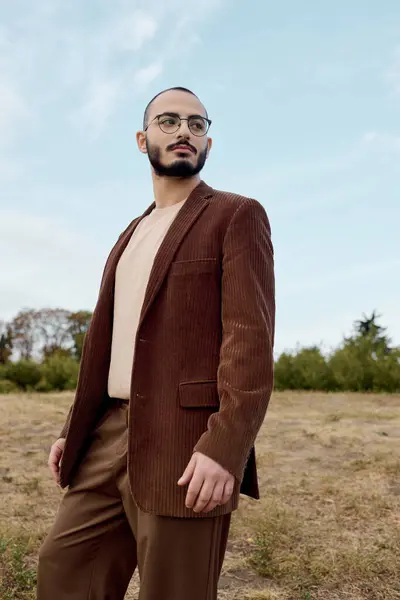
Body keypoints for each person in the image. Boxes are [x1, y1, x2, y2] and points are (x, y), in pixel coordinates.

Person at [37, 86, 275, 600]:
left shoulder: (236, 215)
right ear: (143, 139)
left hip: (186, 443)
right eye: (169, 121)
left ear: (207, 142)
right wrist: (73, 428)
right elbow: (111, 345)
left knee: (175, 591)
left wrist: (225, 447)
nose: (185, 131)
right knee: (63, 570)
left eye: (197, 123)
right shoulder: (130, 234)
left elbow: (249, 342)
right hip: (109, 434)